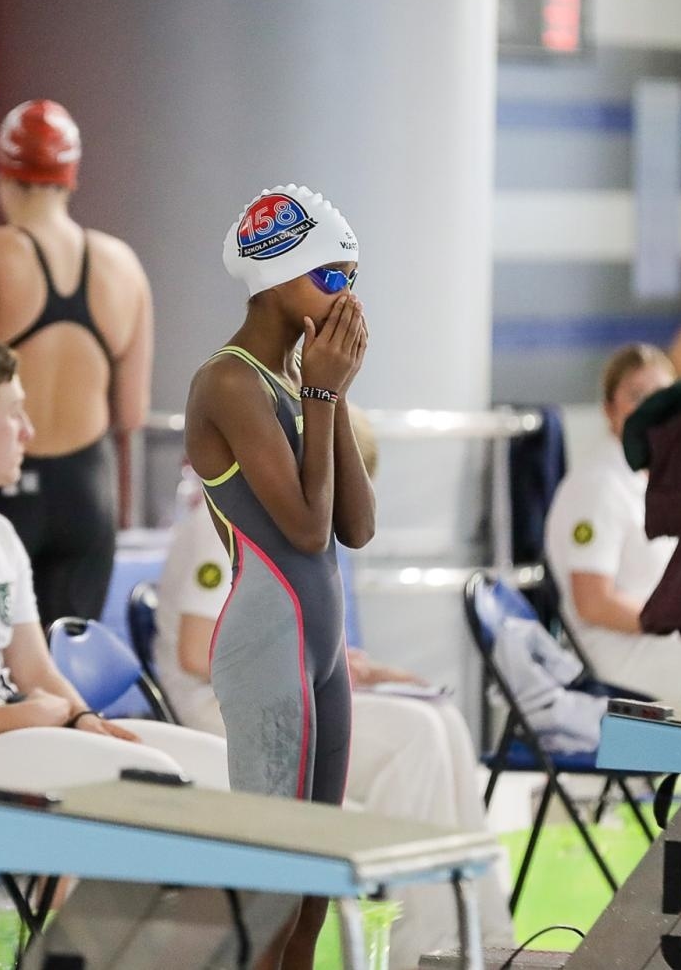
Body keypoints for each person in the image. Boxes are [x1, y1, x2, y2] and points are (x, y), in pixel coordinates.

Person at [156, 408, 513, 961]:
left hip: (281, 693)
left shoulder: (284, 521)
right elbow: (198, 650)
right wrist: (324, 668)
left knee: (440, 720)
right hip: (224, 710)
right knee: (414, 736)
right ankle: (423, 945)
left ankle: (482, 939)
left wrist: (345, 668)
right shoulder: (225, 520)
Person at [0, 336, 227, 850]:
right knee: (152, 784)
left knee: (226, 771)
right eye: (16, 414)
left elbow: (35, 669)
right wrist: (19, 717)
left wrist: (82, 717)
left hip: (9, 741)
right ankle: (101, 932)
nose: (30, 431)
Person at [184, 183, 373, 968]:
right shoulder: (226, 382)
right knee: (268, 901)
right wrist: (322, 394)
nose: (345, 299)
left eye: (351, 279)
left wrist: (331, 394)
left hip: (317, 654)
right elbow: (301, 525)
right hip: (268, 650)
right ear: (278, 278)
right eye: (330, 278)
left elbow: (355, 526)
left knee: (310, 902)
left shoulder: (298, 383)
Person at [0, 99, 151, 626]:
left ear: (4, 174)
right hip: (88, 491)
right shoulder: (123, 265)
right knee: (64, 671)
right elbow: (130, 414)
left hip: (4, 487)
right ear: (71, 175)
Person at [545, 344, 681, 700]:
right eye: (636, 396)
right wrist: (677, 620)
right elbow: (593, 603)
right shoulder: (598, 485)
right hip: (620, 658)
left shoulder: (650, 479)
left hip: (658, 640)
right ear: (609, 411)